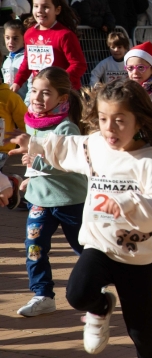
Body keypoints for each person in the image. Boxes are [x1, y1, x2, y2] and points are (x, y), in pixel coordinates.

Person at [10, 79, 152, 356]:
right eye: (104, 119)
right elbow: (68, 146)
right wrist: (34, 143)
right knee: (77, 294)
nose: (109, 127)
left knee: (140, 328)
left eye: (120, 120)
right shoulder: (95, 145)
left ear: (139, 121)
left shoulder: (146, 158)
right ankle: (102, 306)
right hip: (100, 244)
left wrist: (129, 203)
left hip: (135, 254)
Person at [15, 68, 85, 317]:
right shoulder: (31, 122)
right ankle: (42, 295)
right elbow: (32, 163)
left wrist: (33, 162)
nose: (36, 97)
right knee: (34, 246)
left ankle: (94, 287)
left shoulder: (67, 129)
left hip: (71, 200)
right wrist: (29, 179)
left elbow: (64, 164)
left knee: (85, 250)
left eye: (46, 93)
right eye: (34, 90)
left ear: (62, 98)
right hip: (40, 200)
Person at [12, 0, 87, 92]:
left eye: (45, 7)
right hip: (39, 90)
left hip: (64, 92)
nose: (39, 10)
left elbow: (78, 65)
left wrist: (57, 82)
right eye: (36, 6)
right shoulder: (29, 33)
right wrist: (17, 82)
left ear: (57, 10)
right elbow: (27, 61)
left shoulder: (65, 35)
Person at [3, 19, 29, 100]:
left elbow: (32, 86)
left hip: (24, 106)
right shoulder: (6, 61)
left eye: (15, 38)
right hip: (11, 105)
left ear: (24, 38)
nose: (10, 42)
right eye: (7, 38)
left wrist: (26, 107)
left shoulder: (26, 59)